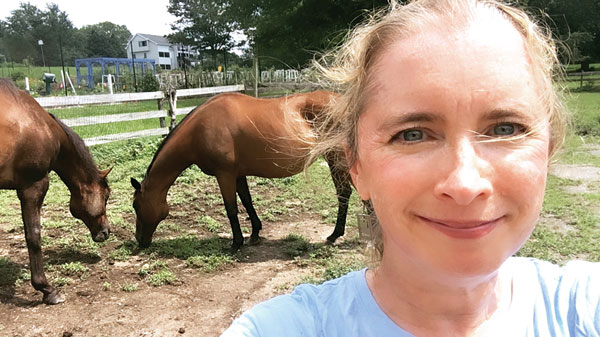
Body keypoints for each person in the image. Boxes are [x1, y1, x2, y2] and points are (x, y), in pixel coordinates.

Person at [221, 0, 600, 336]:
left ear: (547, 150)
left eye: (505, 129)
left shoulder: (585, 308)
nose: (465, 184)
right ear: (356, 166)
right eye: (413, 134)